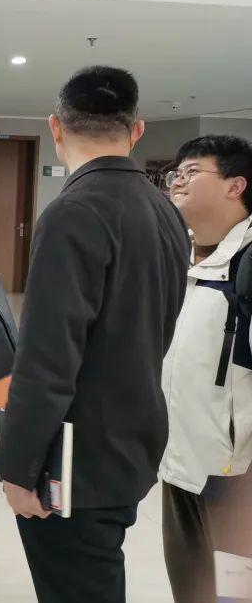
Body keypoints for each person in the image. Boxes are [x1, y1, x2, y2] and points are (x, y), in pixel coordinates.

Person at [0, 66, 189, 603]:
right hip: (132, 439)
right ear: (137, 130)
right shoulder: (164, 210)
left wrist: (18, 466)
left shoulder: (72, 212)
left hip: (75, 459)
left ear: (55, 127)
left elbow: (47, 359)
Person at [160, 134, 252, 603]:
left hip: (236, 481)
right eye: (177, 172)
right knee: (190, 589)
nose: (178, 180)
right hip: (181, 463)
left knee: (233, 594)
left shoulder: (247, 265)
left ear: (236, 185)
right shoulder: (181, 257)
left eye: (193, 172)